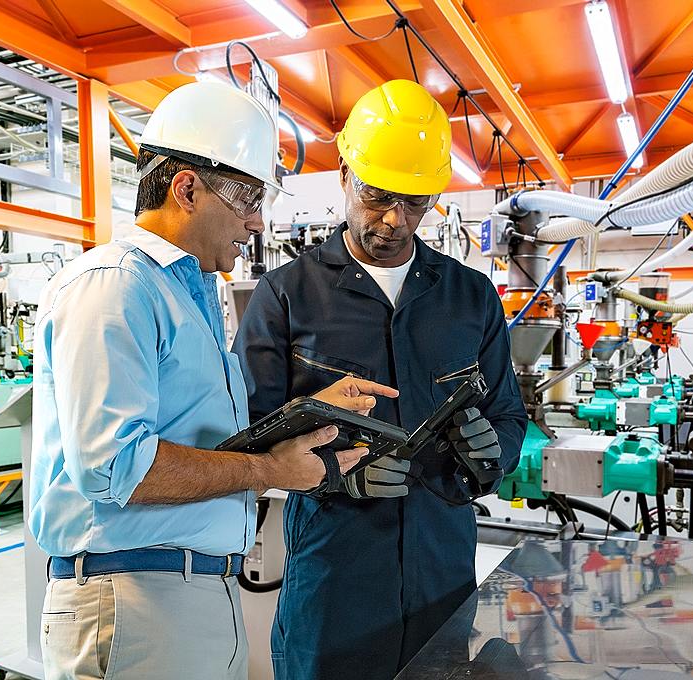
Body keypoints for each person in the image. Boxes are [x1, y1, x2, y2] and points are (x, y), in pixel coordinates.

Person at [29, 81, 397, 680]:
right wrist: (269, 470)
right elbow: (114, 466)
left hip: (191, 593)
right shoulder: (115, 286)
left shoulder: (191, 295)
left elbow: (203, 446)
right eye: (248, 197)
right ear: (186, 188)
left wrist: (303, 415)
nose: (257, 220)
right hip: (135, 600)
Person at [233, 79, 528, 680]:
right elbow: (252, 433)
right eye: (377, 196)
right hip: (334, 575)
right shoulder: (286, 296)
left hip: (442, 570)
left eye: (415, 203)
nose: (394, 220)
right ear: (344, 174)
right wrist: (333, 474)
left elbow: (509, 414)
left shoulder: (471, 296)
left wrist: (492, 455)